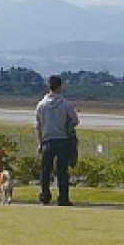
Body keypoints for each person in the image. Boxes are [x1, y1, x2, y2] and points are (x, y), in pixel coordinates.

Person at [34, 74, 80, 206]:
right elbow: (75, 121)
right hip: (63, 140)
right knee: (62, 171)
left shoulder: (41, 105)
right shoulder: (66, 104)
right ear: (60, 86)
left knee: (45, 171)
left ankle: (45, 196)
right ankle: (63, 198)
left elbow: (38, 125)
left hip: (47, 141)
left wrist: (40, 142)